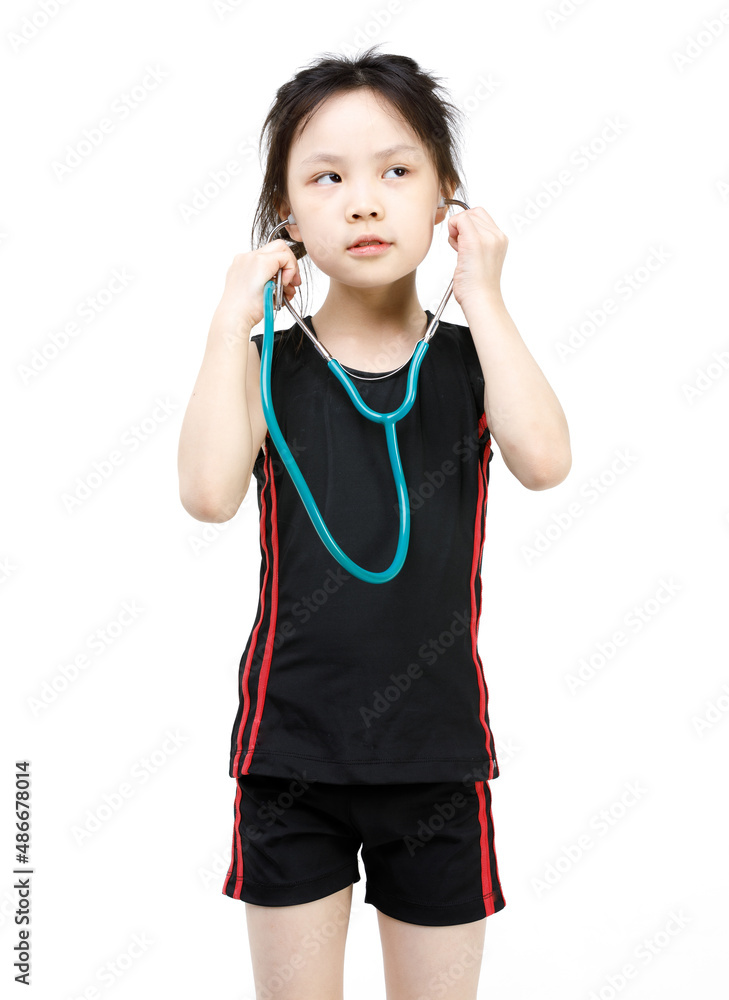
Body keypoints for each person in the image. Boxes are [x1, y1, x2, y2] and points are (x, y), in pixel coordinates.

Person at [178, 45, 571, 1000]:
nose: (363, 201)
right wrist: (231, 320)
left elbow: (545, 461)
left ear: (447, 202)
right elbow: (208, 493)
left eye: (397, 172)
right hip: (290, 756)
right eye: (327, 177)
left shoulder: (471, 360)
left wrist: (482, 290)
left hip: (437, 757)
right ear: (286, 214)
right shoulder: (267, 364)